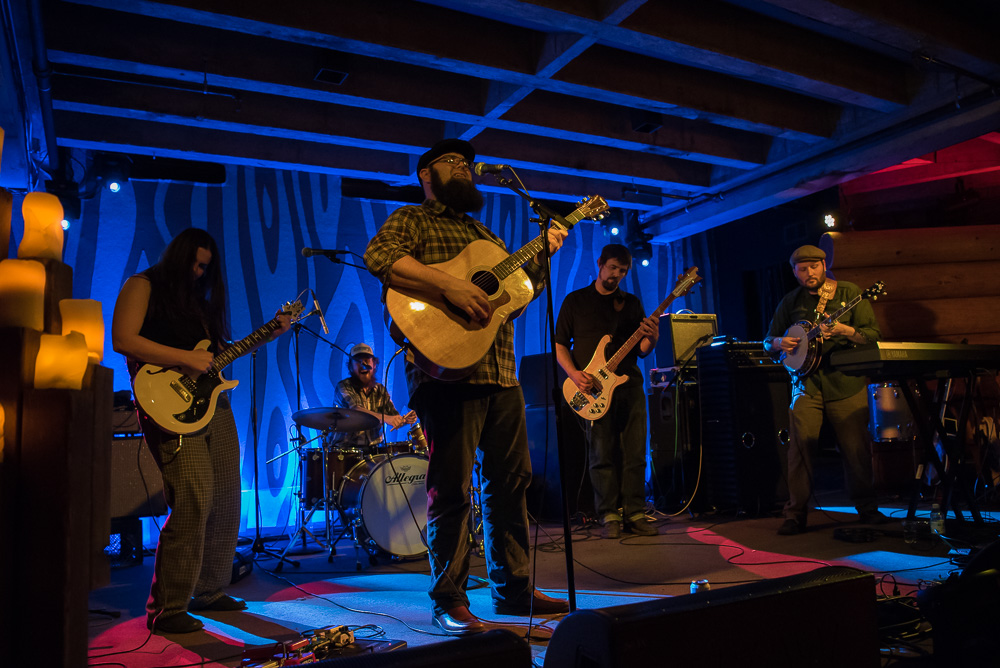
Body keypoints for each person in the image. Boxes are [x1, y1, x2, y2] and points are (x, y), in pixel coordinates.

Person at [364, 138, 570, 635]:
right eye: (451, 161)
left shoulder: (485, 234)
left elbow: (514, 297)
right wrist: (450, 285)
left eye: (466, 162)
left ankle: (513, 586)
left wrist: (543, 254)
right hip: (443, 375)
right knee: (452, 488)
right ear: (426, 175)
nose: (464, 167)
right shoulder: (412, 220)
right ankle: (448, 598)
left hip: (499, 372)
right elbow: (380, 256)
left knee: (510, 482)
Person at [112, 228, 291, 634]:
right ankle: (167, 607)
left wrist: (271, 333)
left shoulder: (199, 301)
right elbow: (123, 339)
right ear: (177, 256)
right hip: (167, 404)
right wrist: (185, 359)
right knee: (194, 496)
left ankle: (209, 591)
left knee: (228, 497)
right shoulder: (143, 284)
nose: (198, 272)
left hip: (213, 405)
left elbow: (211, 359)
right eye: (194, 263)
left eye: (205, 267)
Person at [764, 244, 886, 536]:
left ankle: (867, 509)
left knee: (855, 449)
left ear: (824, 265)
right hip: (806, 386)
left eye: (814, 267)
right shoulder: (790, 301)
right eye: (802, 269)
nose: (809, 273)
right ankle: (795, 514)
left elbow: (873, 336)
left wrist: (845, 330)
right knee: (800, 450)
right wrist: (780, 343)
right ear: (794, 272)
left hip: (846, 383)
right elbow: (768, 341)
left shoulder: (849, 293)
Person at [554, 244, 660, 539]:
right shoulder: (575, 301)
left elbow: (641, 351)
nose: (617, 275)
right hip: (592, 389)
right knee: (601, 452)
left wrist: (653, 337)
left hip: (629, 385)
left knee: (635, 450)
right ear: (599, 263)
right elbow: (560, 343)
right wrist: (574, 375)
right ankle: (608, 514)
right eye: (613, 267)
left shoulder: (631, 303)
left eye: (623, 271)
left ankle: (635, 512)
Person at [330, 342, 417, 450]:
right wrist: (387, 418)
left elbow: (392, 417)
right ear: (350, 367)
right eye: (358, 360)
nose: (363, 363)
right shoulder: (343, 386)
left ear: (374, 364)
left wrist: (404, 420)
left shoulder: (380, 390)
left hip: (374, 452)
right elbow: (356, 410)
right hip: (345, 452)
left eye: (367, 359)